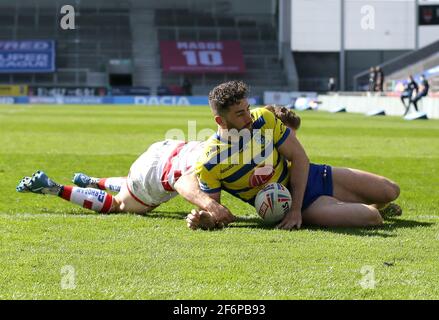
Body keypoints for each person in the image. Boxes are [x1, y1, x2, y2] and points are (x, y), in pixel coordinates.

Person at [16, 105, 300, 227]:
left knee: (130, 186)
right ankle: (55, 189)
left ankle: (93, 180)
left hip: (164, 149)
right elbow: (184, 181)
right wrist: (212, 208)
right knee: (120, 205)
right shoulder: (236, 156)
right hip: (160, 174)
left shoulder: (233, 141)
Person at [187, 80, 401, 231]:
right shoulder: (210, 161)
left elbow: (299, 157)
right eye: (240, 113)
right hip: (288, 204)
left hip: (311, 177)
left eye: (247, 108)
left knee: (391, 190)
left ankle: (351, 204)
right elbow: (215, 208)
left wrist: (295, 210)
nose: (249, 117)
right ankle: (355, 208)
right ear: (220, 121)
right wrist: (207, 218)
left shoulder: (263, 119)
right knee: (372, 217)